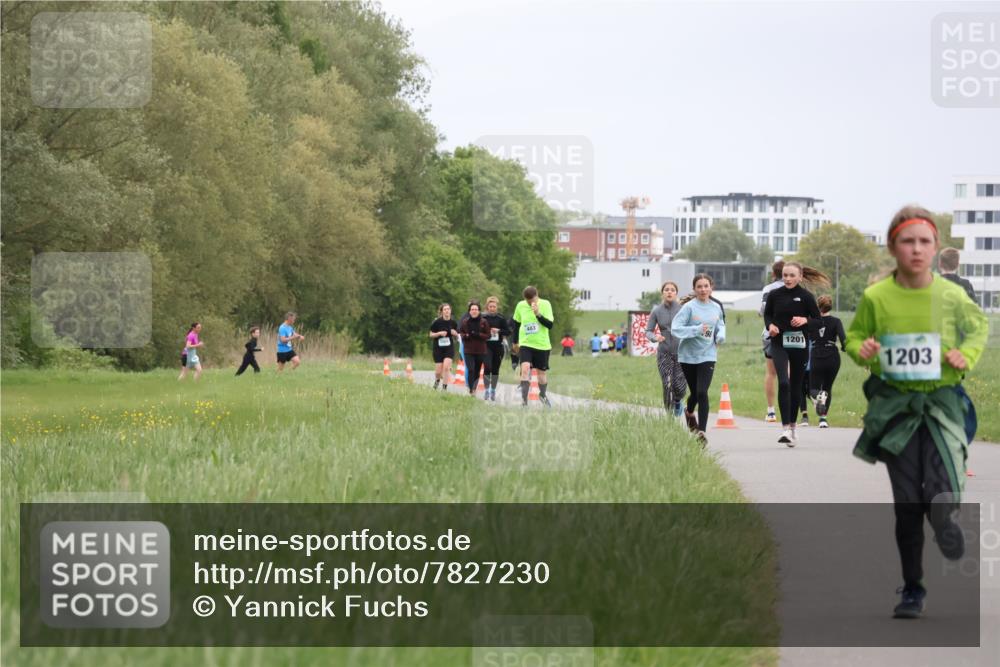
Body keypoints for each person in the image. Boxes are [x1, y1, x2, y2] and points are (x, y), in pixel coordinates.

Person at [845, 205, 987, 619]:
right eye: (908, 241)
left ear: (936, 247)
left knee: (939, 493)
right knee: (907, 503)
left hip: (942, 403)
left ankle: (945, 524)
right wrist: (862, 350)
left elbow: (979, 327)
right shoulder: (876, 297)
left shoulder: (951, 295)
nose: (917, 249)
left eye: (925, 241)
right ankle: (912, 588)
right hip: (896, 407)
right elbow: (854, 337)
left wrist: (967, 354)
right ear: (893, 247)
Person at [764, 262, 829, 446]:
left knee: (795, 386)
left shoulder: (806, 297)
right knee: (784, 382)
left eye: (792, 275)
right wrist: (771, 326)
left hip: (800, 345)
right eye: (785, 275)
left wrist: (805, 320)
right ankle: (785, 428)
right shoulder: (774, 295)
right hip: (779, 343)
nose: (788, 279)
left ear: (800, 277)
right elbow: (767, 315)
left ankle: (793, 427)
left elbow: (819, 322)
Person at [671, 274, 726, 445]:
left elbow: (720, 324)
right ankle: (689, 412)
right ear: (694, 289)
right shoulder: (689, 308)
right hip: (688, 356)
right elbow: (675, 329)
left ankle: (702, 431)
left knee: (702, 392)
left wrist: (721, 335)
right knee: (694, 393)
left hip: (708, 355)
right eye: (699, 287)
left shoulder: (716, 307)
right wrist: (696, 330)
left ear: (711, 287)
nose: (703, 289)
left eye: (706, 286)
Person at [647, 281, 687, 417]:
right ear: (662, 293)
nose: (669, 292)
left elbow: (691, 327)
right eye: (666, 290)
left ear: (676, 293)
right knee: (667, 384)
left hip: (681, 353)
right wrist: (655, 337)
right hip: (664, 353)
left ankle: (678, 401)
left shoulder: (683, 310)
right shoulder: (656, 311)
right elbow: (648, 331)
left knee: (680, 387)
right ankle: (669, 416)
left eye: (672, 290)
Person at [807, 295, 846, 428]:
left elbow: (805, 337)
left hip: (817, 356)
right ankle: (823, 419)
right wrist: (844, 348)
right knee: (827, 388)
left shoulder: (811, 321)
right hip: (833, 357)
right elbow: (843, 339)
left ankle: (819, 395)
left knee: (813, 389)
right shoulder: (836, 321)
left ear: (818, 307)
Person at [512, 285, 554, 407]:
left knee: (541, 375)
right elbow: (516, 324)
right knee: (525, 369)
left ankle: (542, 394)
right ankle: (524, 401)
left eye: (532, 300)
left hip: (542, 345)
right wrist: (515, 342)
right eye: (528, 301)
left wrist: (538, 314)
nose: (530, 303)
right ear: (524, 299)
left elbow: (550, 325)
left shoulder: (546, 304)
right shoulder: (520, 305)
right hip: (526, 344)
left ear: (537, 295)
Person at [759, 260, 785, 423]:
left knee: (771, 373)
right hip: (792, 334)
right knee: (789, 373)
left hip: (771, 333)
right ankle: (790, 410)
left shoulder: (768, 289)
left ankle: (771, 411)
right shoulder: (797, 288)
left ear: (773, 274)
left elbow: (763, 310)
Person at [459, 300, 491, 395]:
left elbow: (488, 335)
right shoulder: (465, 322)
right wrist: (466, 336)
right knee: (471, 369)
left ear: (479, 311)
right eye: (472, 309)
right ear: (469, 311)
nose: (474, 311)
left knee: (477, 370)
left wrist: (479, 334)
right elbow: (461, 333)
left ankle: (474, 388)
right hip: (468, 350)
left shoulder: (484, 322)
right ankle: (471, 389)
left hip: (480, 350)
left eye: (476, 309)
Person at [483, 296, 511, 401]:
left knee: (495, 370)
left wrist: (498, 331)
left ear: (497, 307)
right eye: (490, 306)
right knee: (487, 367)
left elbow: (508, 332)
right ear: (487, 307)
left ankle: (493, 390)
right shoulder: (483, 318)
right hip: (486, 346)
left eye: (494, 307)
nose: (492, 308)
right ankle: (486, 390)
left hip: (498, 347)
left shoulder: (501, 318)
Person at [429, 303, 459, 390]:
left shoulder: (453, 323)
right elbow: (431, 334)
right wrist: (439, 333)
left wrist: (455, 334)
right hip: (438, 348)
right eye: (445, 309)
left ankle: (444, 388)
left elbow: (457, 336)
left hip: (449, 348)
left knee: (446, 367)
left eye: (448, 309)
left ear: (450, 311)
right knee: (438, 372)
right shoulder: (437, 322)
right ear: (442, 311)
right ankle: (437, 381)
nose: (447, 311)